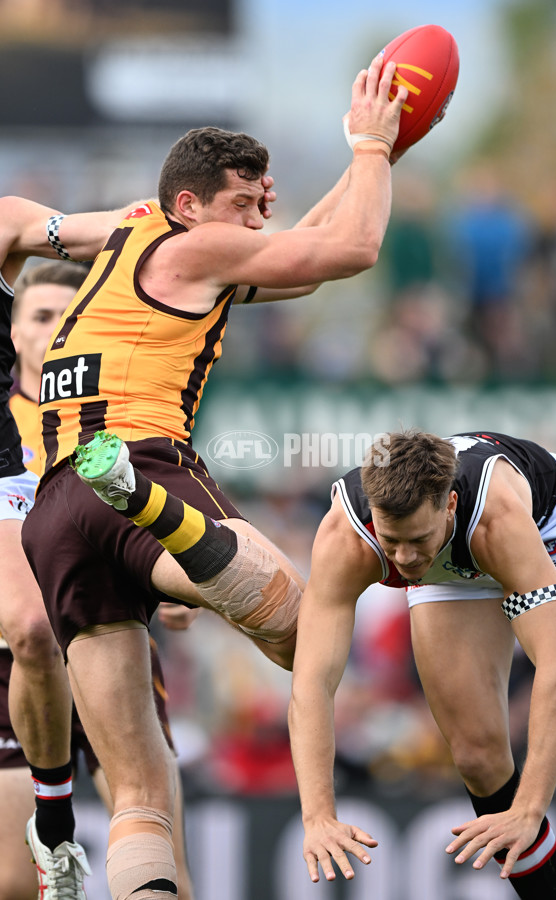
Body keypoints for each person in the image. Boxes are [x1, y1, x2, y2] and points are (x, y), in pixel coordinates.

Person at [21, 56, 408, 900]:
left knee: (140, 794)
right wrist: (375, 147)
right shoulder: (198, 246)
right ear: (190, 205)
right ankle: (155, 509)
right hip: (138, 465)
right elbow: (352, 249)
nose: (258, 220)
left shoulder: (125, 235)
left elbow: (298, 258)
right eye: (245, 203)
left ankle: (153, 519)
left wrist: (368, 158)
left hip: (53, 512)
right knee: (305, 633)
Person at [287, 428, 556, 899]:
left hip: (545, 525)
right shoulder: (346, 537)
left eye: (415, 538)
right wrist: (318, 815)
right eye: (391, 541)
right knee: (477, 756)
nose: (405, 558)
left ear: (449, 503)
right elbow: (312, 682)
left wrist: (529, 810)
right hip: (451, 559)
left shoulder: (500, 521)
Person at [5, 260, 195, 900]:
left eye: (68, 316)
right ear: (13, 334)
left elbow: (156, 512)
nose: (56, 328)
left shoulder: (114, 418)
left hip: (109, 634)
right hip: (18, 665)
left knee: (163, 866)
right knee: (17, 881)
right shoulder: (3, 430)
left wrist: (169, 583)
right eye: (40, 316)